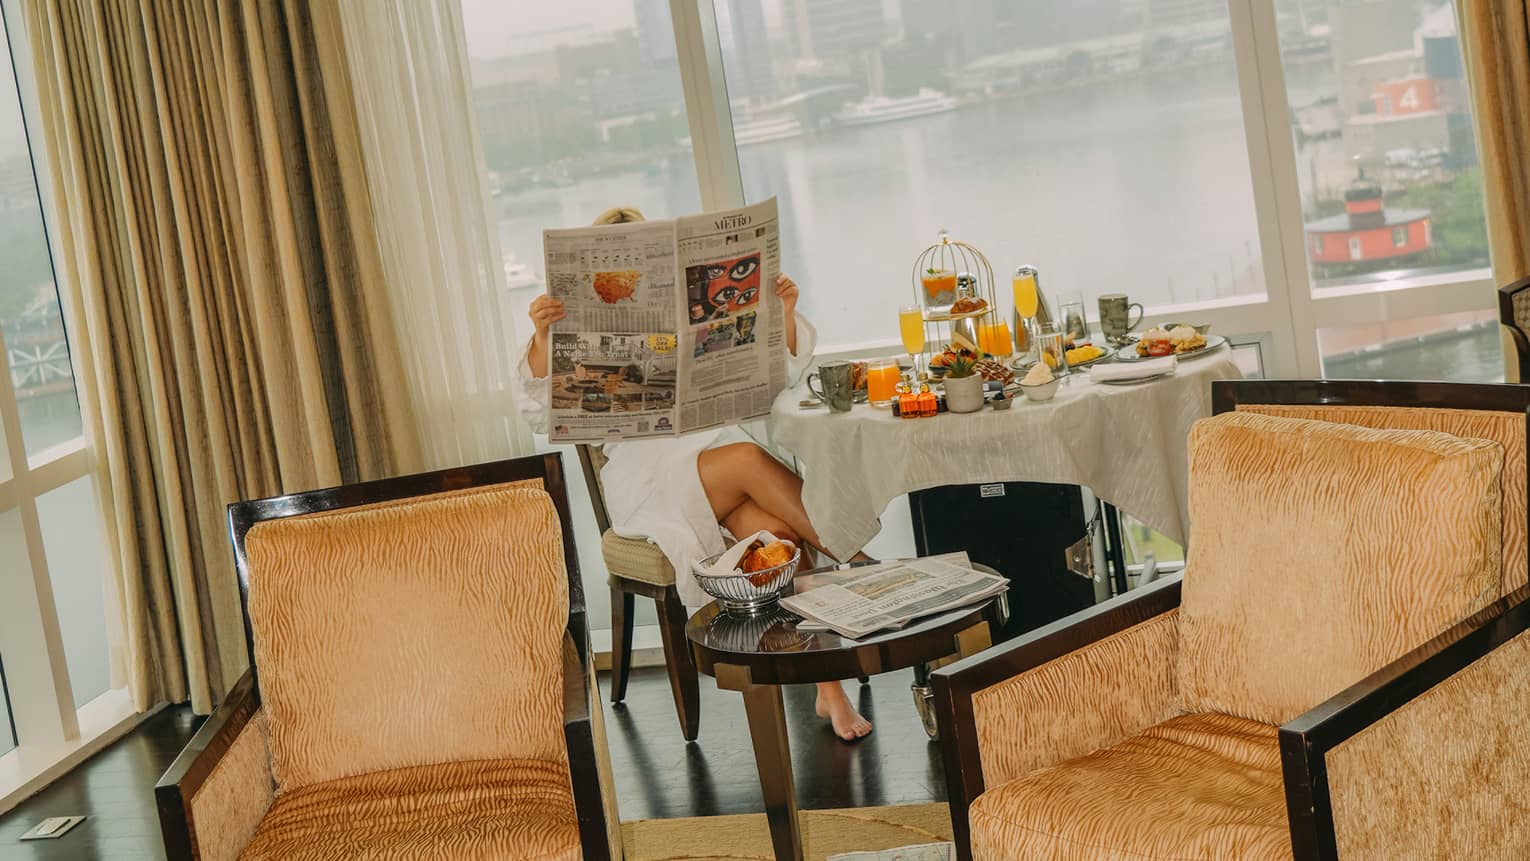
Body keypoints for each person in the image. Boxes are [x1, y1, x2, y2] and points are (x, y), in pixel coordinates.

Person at [517, 206, 873, 741]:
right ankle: (855, 556)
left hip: (709, 458)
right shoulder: (567, 323)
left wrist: (782, 310)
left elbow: (782, 374)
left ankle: (829, 689)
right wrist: (543, 338)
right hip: (646, 480)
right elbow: (540, 414)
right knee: (750, 461)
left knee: (777, 537)